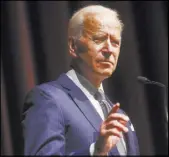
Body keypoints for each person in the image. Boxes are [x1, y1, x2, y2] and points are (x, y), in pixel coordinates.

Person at [21, 5, 140, 155]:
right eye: (99, 39)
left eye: (115, 42)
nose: (109, 50)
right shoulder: (48, 99)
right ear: (73, 46)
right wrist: (95, 151)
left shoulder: (120, 117)